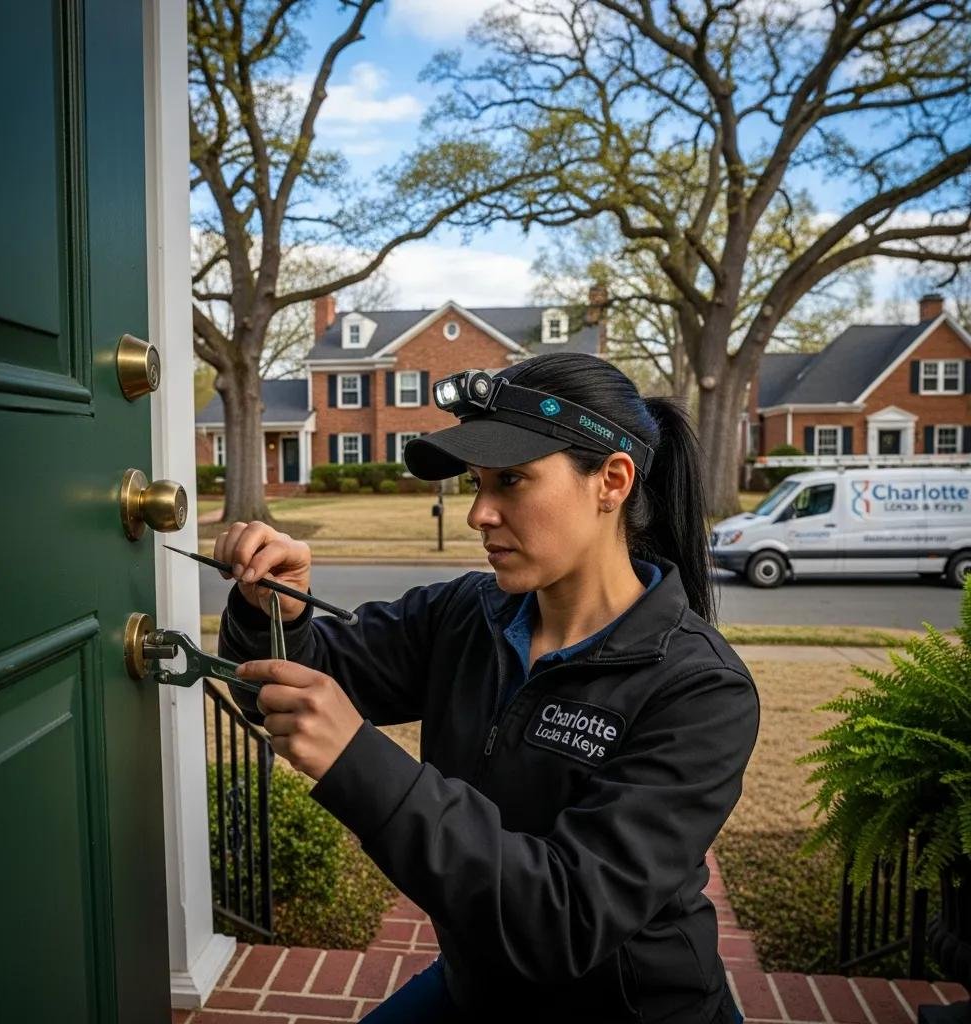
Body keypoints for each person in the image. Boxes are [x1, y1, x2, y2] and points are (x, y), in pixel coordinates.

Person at [217, 351, 758, 1024]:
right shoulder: (465, 616)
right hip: (478, 986)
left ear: (612, 482)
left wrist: (359, 761)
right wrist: (278, 610)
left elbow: (567, 918)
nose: (479, 514)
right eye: (477, 484)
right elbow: (282, 686)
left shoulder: (700, 690)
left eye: (511, 481)